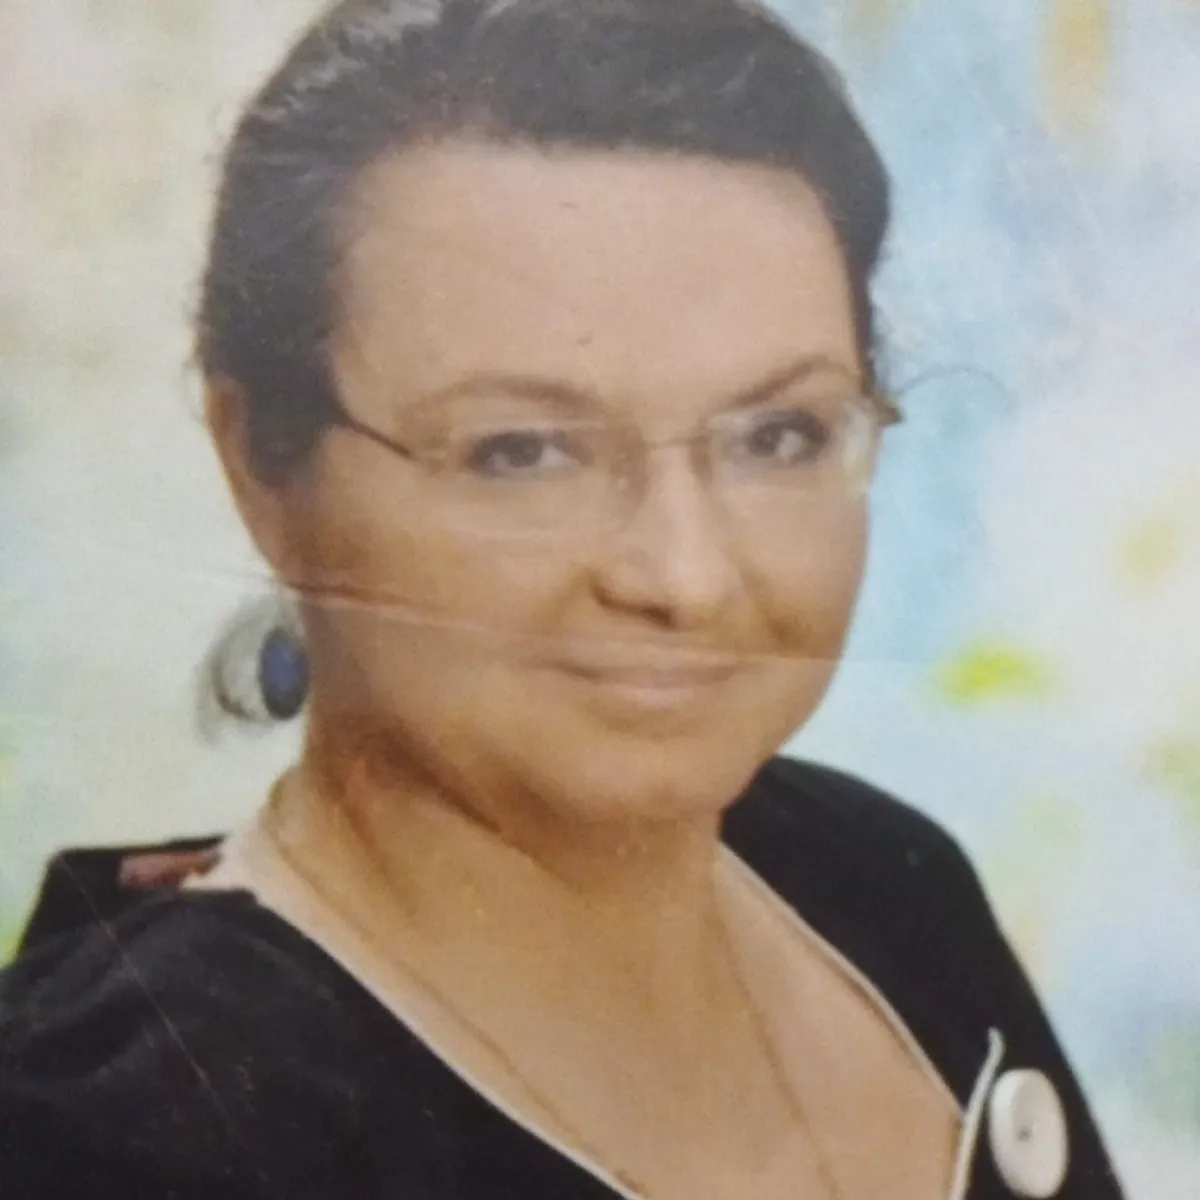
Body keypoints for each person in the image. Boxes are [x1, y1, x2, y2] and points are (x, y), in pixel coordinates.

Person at [0, 2, 1125, 1198]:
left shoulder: (876, 881)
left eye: (777, 434)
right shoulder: (118, 1137)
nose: (684, 576)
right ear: (261, 467)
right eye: (522, 452)